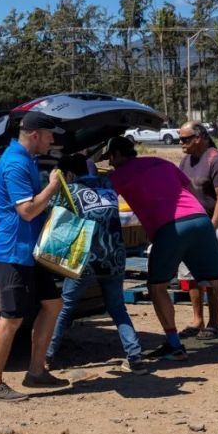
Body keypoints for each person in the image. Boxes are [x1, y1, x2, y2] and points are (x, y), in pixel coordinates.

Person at [105, 135, 218, 361]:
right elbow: (187, 187)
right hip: (199, 219)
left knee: (156, 286)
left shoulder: (117, 176)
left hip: (170, 228)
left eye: (110, 158)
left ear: (117, 154)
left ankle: (174, 345)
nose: (110, 164)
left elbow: (105, 202)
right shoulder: (163, 163)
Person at [0, 111, 67, 402]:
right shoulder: (15, 164)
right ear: (35, 135)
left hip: (30, 250)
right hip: (12, 251)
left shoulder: (26, 160)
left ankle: (36, 372)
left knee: (53, 304)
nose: (52, 140)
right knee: (12, 318)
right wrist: (53, 187)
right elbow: (27, 210)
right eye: (49, 135)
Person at [45, 154, 149, 375]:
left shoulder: (70, 190)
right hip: (115, 258)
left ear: (69, 175)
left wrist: (52, 185)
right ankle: (135, 356)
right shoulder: (108, 186)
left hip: (86, 259)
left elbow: (49, 211)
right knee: (117, 308)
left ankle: (47, 357)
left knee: (64, 308)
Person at [177, 122, 218, 341]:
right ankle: (197, 320)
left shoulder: (217, 160)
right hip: (189, 226)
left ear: (199, 138)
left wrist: (211, 226)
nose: (181, 143)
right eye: (180, 139)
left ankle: (214, 323)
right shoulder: (186, 160)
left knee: (213, 276)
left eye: (185, 139)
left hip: (212, 227)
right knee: (190, 276)